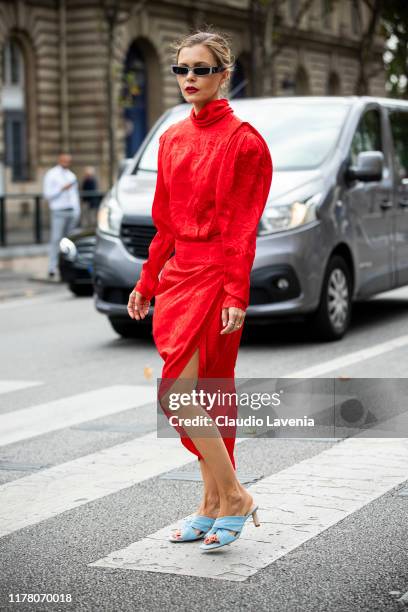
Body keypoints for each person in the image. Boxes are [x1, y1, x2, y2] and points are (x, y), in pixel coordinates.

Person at [127, 29, 273, 552]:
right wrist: (147, 281)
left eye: (201, 69)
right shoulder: (170, 138)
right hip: (177, 278)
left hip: (215, 276)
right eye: (182, 70)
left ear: (223, 73)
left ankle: (232, 497)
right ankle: (213, 502)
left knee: (186, 394)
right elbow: (164, 223)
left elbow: (241, 228)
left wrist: (237, 293)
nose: (190, 78)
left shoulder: (245, 142)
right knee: (199, 395)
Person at [43, 153, 80, 278]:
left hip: (71, 211)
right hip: (59, 211)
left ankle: (67, 267)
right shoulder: (52, 174)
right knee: (56, 239)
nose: (66, 163)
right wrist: (62, 189)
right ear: (59, 160)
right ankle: (52, 267)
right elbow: (47, 195)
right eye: (64, 161)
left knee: (68, 241)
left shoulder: (71, 175)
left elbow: (75, 196)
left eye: (68, 161)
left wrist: (77, 211)